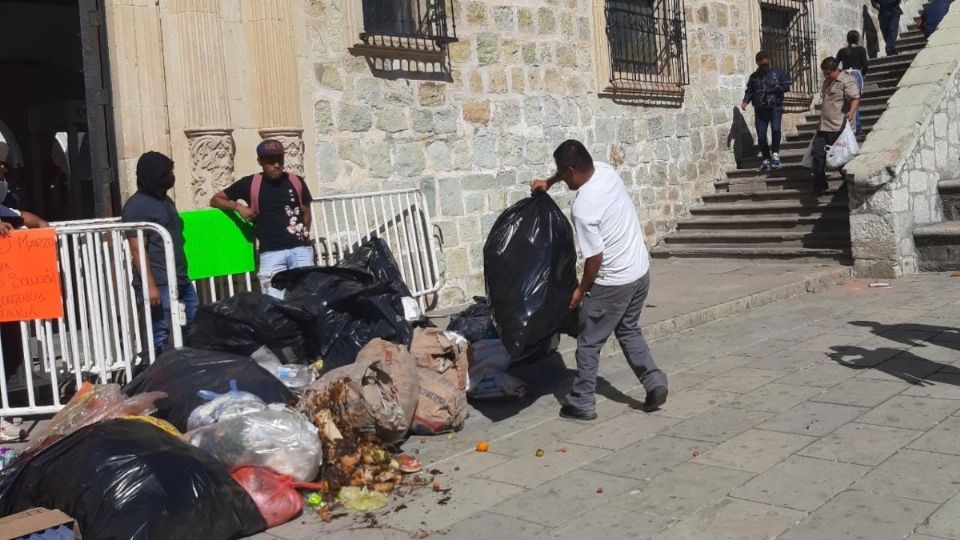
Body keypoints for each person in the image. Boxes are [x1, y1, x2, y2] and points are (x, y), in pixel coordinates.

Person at [530, 140, 668, 421]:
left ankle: (582, 401)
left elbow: (594, 259)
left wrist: (581, 290)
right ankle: (654, 382)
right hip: (640, 271)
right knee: (628, 329)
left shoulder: (583, 207)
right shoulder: (605, 171)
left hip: (613, 281)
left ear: (571, 169)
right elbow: (571, 169)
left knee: (590, 341)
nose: (562, 177)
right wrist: (550, 180)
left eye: (562, 172)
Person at [210, 140, 314, 299]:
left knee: (307, 299)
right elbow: (216, 199)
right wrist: (239, 208)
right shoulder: (250, 183)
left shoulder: (296, 181)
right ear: (260, 161)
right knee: (273, 303)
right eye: (271, 161)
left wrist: (304, 237)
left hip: (300, 250)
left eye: (280, 159)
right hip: (271, 253)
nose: (277, 165)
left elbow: (306, 211)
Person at [121, 151, 198, 352]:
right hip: (159, 280)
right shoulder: (136, 206)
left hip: (179, 277)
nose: (170, 178)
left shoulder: (165, 200)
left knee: (193, 324)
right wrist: (150, 286)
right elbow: (138, 249)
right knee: (159, 331)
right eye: (165, 173)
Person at [811, 57, 861, 194]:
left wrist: (851, 113)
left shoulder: (847, 80)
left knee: (841, 158)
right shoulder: (827, 82)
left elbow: (855, 99)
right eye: (825, 73)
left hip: (839, 127)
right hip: (823, 126)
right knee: (817, 155)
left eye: (828, 73)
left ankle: (849, 184)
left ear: (835, 70)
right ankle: (820, 186)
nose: (826, 76)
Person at [741, 52, 791, 171]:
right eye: (761, 64)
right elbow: (749, 91)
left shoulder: (778, 73)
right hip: (760, 110)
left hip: (775, 108)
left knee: (775, 130)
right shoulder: (754, 77)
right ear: (757, 63)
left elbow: (787, 86)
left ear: (768, 61)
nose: (763, 66)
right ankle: (766, 158)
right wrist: (745, 101)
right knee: (762, 136)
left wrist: (779, 87)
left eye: (765, 64)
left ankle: (775, 154)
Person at [836, 31, 869, 135]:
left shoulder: (842, 51)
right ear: (857, 39)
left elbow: (835, 64)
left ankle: (849, 125)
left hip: (845, 75)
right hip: (856, 75)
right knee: (855, 101)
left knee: (848, 102)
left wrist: (841, 73)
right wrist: (863, 74)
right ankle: (857, 127)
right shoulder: (861, 50)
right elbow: (865, 65)